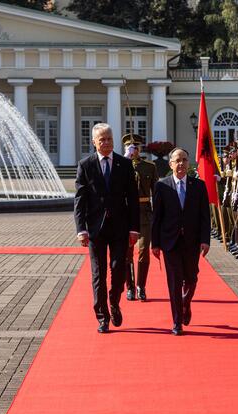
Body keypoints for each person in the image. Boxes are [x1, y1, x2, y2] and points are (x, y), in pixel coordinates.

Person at [74, 123, 139, 333]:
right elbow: (80, 200)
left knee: (119, 269)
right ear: (94, 142)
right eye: (102, 139)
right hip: (95, 229)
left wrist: (134, 228)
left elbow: (133, 199)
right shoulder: (86, 165)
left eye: (109, 138)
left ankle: (114, 300)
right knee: (98, 273)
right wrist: (81, 229)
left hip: (120, 227)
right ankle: (102, 316)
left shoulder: (124, 164)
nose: (106, 142)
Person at [150, 147, 211, 336]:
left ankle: (186, 303)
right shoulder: (162, 186)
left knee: (191, 279)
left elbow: (204, 216)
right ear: (171, 164)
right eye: (177, 160)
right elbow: (156, 217)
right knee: (175, 282)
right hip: (170, 242)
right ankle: (177, 322)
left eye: (184, 160)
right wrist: (155, 243)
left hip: (192, 242)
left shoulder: (198, 186)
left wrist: (205, 240)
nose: (181, 164)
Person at [123, 133, 159, 302]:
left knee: (144, 251)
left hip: (144, 212)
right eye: (130, 147)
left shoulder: (149, 167)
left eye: (136, 147)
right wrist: (125, 160)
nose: (133, 150)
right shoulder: (120, 165)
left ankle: (141, 286)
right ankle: (129, 287)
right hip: (127, 213)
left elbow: (156, 192)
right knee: (127, 252)